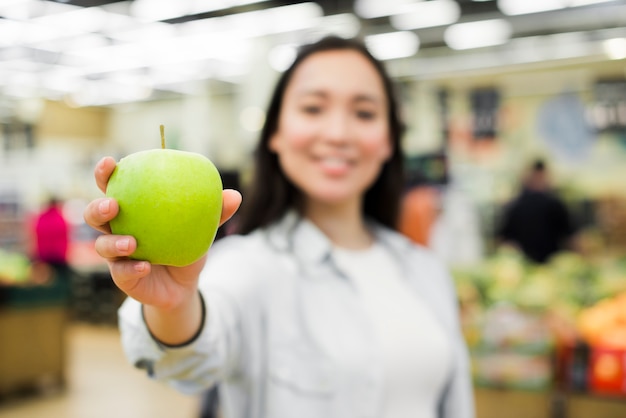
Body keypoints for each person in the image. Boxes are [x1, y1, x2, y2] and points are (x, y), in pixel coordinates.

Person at [83, 36, 474, 418]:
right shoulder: (246, 266)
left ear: (389, 140)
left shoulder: (425, 269)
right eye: (313, 108)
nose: (337, 133)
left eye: (365, 112)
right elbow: (189, 363)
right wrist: (175, 305)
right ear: (275, 133)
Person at [497, 159, 575, 264]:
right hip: (529, 262)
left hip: (545, 261)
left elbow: (568, 235)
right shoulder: (517, 204)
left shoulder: (554, 204)